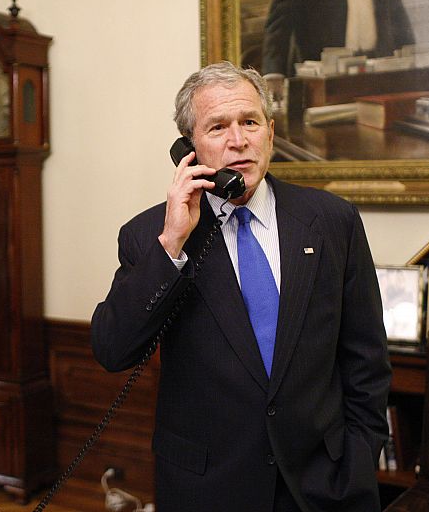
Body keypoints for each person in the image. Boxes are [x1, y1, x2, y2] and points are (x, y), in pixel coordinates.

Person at [91, 62, 390, 511]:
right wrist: (172, 245)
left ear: (269, 132)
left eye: (249, 122)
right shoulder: (151, 235)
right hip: (207, 488)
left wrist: (359, 460)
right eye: (217, 127)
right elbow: (113, 350)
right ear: (187, 148)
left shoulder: (332, 221)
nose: (238, 141)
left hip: (322, 484)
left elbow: (365, 356)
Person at [262, 0, 414, 97]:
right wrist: (274, 71)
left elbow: (396, 12)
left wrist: (414, 54)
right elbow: (281, 19)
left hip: (377, 72)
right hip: (323, 77)